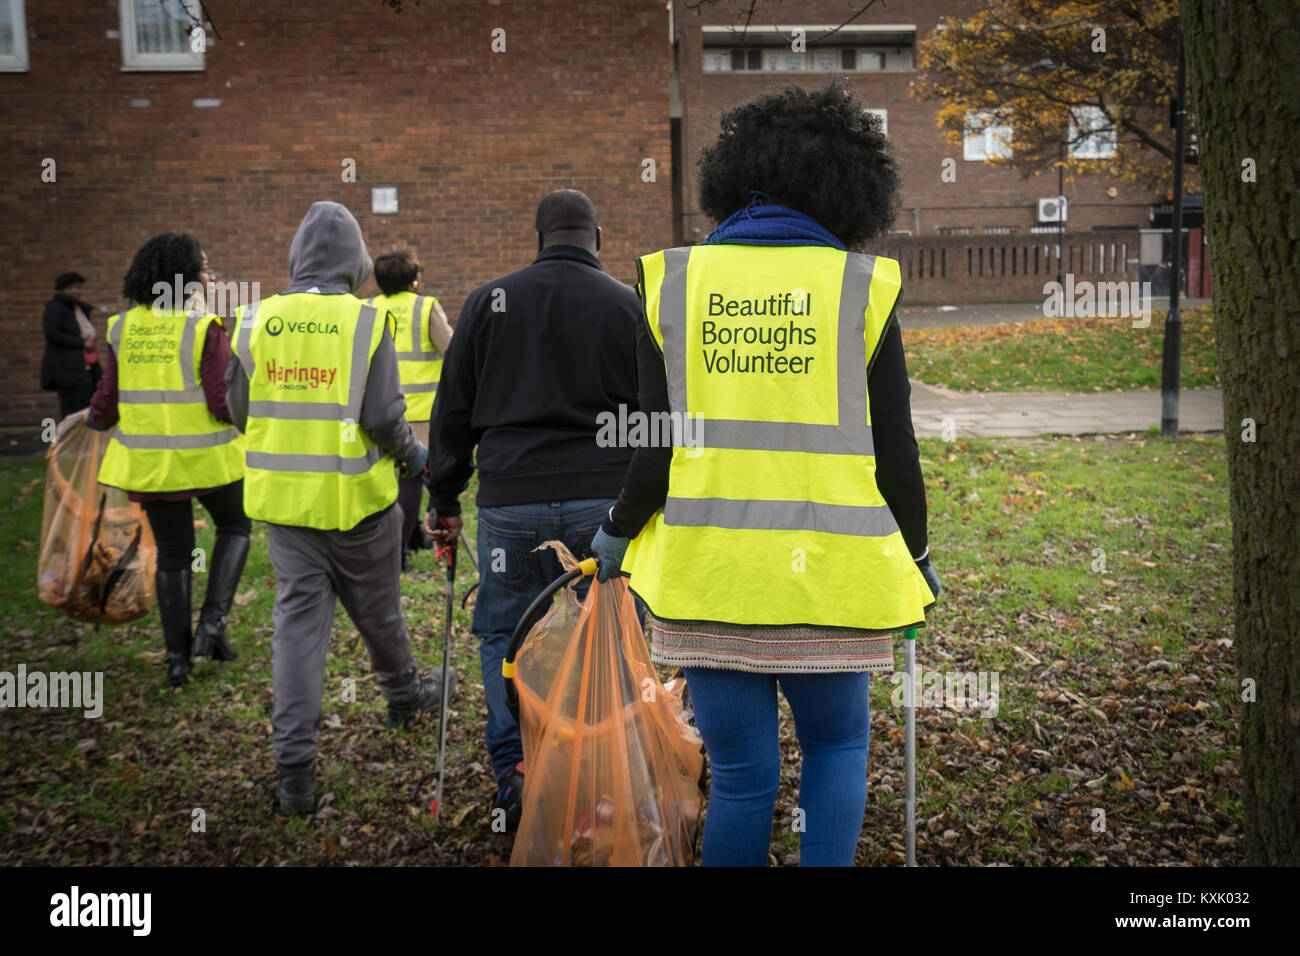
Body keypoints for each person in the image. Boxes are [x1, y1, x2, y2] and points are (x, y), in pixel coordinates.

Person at [590, 84, 942, 867]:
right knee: (837, 751)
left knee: (745, 778)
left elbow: (656, 445)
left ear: (736, 180)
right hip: (832, 579)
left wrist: (617, 529)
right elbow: (897, 455)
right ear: (851, 189)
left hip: (709, 577)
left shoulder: (670, 282)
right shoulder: (862, 287)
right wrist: (914, 559)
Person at [225, 201, 455, 816]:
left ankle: (294, 769)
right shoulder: (363, 322)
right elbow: (383, 418)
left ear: (297, 255)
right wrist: (414, 457)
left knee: (297, 631)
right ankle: (405, 697)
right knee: (379, 613)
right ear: (355, 261)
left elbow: (240, 412)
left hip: (284, 510)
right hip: (358, 505)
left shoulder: (252, 320)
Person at [424, 189, 643, 831]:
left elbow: (453, 407)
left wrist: (444, 494)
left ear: (539, 237)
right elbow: (653, 413)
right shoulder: (627, 305)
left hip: (510, 501)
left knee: (504, 633)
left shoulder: (489, 303)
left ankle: (519, 772)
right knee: (602, 633)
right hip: (601, 505)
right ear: (596, 237)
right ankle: (601, 766)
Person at [89, 235, 250, 688]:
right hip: (209, 459)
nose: (209, 273)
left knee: (174, 554)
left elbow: (106, 402)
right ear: (184, 277)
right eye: (203, 266)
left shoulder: (122, 327)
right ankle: (212, 624)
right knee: (236, 526)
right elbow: (224, 403)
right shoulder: (203, 326)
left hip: (149, 465)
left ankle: (178, 660)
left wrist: (89, 421)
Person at [365, 250, 454, 570]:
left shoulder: (367, 309)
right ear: (413, 278)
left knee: (387, 478)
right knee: (415, 478)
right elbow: (452, 351)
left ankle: (404, 540)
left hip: (376, 410)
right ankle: (406, 546)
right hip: (421, 412)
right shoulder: (425, 308)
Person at [42, 273, 103, 418]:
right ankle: (69, 440)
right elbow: (52, 335)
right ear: (61, 290)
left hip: (86, 368)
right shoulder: (56, 309)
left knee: (87, 408)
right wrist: (82, 343)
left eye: (78, 287)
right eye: (70, 288)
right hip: (68, 369)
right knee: (73, 412)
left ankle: (84, 440)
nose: (75, 291)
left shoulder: (80, 308)